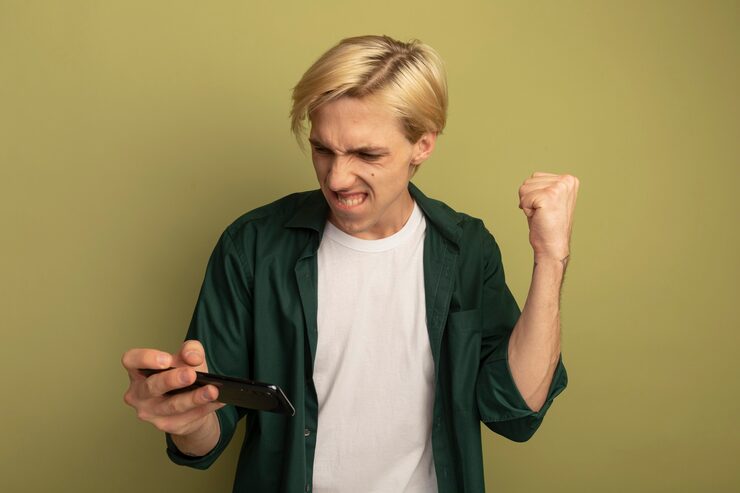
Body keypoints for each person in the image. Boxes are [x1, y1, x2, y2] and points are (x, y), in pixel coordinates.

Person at [122, 34, 579, 493]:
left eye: (366, 154)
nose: (337, 179)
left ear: (422, 144)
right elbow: (205, 435)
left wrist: (550, 257)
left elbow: (515, 410)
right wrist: (187, 420)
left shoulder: (467, 249)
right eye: (323, 149)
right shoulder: (253, 246)